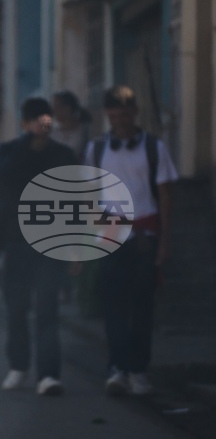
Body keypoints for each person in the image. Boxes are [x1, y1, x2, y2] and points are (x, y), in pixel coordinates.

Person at [86, 85, 177, 397]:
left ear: (134, 113)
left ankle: (139, 370)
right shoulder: (97, 149)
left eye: (124, 114)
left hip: (144, 236)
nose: (119, 120)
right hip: (111, 234)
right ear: (107, 116)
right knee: (113, 307)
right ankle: (118, 368)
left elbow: (164, 195)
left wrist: (164, 242)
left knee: (142, 307)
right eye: (113, 115)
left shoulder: (154, 148)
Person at [0, 97, 77, 396]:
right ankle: (18, 367)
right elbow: (4, 177)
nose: (44, 123)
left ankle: (49, 375)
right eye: (37, 118)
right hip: (16, 241)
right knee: (16, 308)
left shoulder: (63, 154)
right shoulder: (9, 151)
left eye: (47, 117)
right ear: (25, 124)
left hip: (51, 244)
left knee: (47, 310)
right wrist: (31, 145)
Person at [51, 90, 92, 157]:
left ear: (68, 108)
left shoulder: (84, 131)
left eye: (57, 106)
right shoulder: (52, 133)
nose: (54, 110)